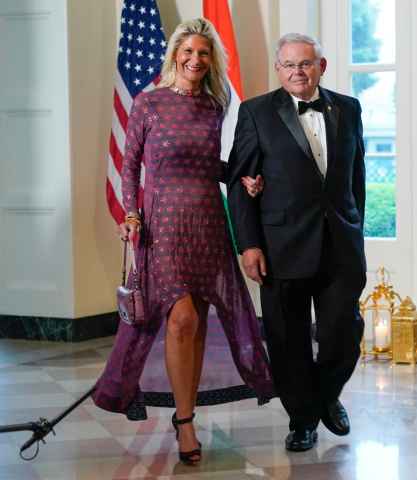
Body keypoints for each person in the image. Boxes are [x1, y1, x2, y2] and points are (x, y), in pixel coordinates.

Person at [91, 18, 276, 466]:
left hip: (208, 224)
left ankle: (184, 412)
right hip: (162, 228)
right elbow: (130, 165)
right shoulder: (149, 103)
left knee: (196, 324)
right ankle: (186, 423)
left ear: (212, 61)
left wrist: (244, 179)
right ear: (175, 54)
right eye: (188, 51)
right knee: (182, 320)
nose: (195, 60)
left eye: (204, 53)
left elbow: (213, 167)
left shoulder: (215, 106)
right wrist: (131, 214)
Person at [227, 33, 367, 452]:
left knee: (344, 332)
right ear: (277, 69)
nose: (297, 72)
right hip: (279, 245)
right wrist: (247, 244)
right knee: (287, 341)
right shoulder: (255, 112)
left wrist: (355, 226)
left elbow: (356, 176)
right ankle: (303, 419)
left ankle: (326, 395)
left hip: (341, 242)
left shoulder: (349, 107)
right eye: (288, 65)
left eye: (305, 64)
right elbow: (240, 182)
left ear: (321, 67)